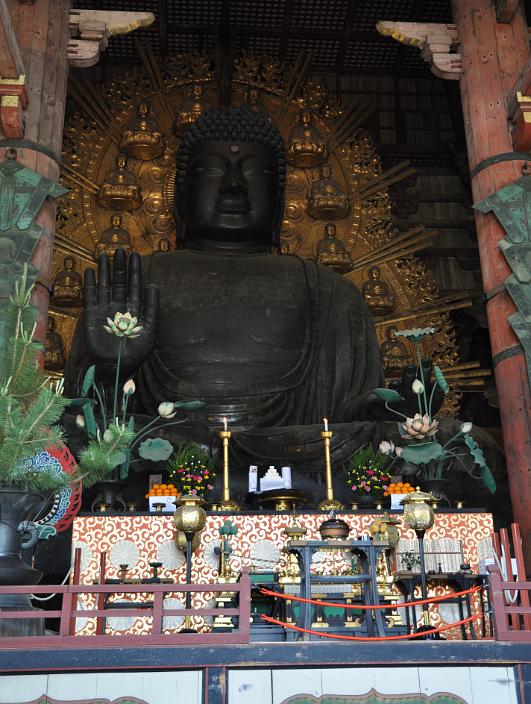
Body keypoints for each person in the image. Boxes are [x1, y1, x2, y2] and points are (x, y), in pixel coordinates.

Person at [66, 107, 438, 470]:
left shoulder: (331, 292)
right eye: (211, 171)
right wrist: (107, 367)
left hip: (297, 451)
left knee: (443, 443)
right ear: (179, 195)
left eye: (255, 173)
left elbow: (347, 418)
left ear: (279, 200)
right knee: (77, 437)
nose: (233, 185)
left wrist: (387, 406)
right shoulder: (130, 282)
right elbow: (80, 414)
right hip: (170, 447)